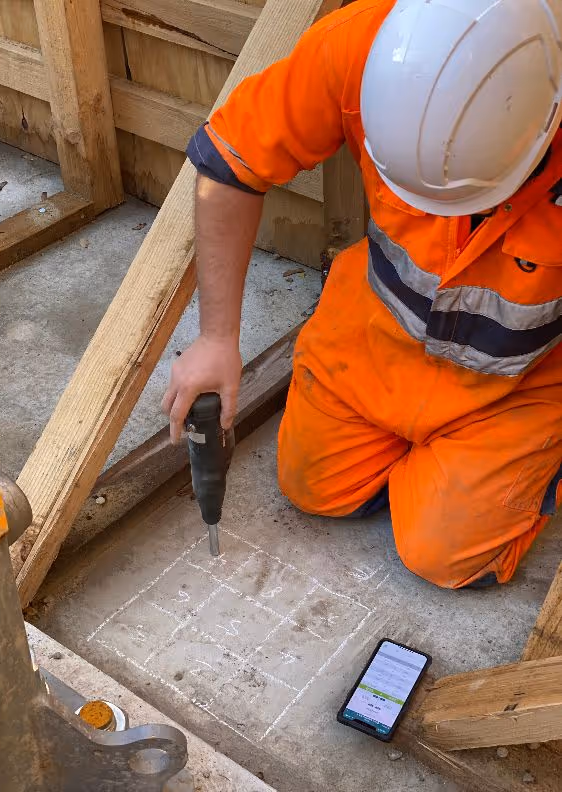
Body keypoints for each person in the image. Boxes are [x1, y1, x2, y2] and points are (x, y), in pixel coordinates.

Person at [163, 0, 562, 589]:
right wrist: (217, 336)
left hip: (520, 383)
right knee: (309, 483)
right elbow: (232, 160)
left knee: (443, 554)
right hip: (379, 338)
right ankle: (429, 473)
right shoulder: (368, 43)